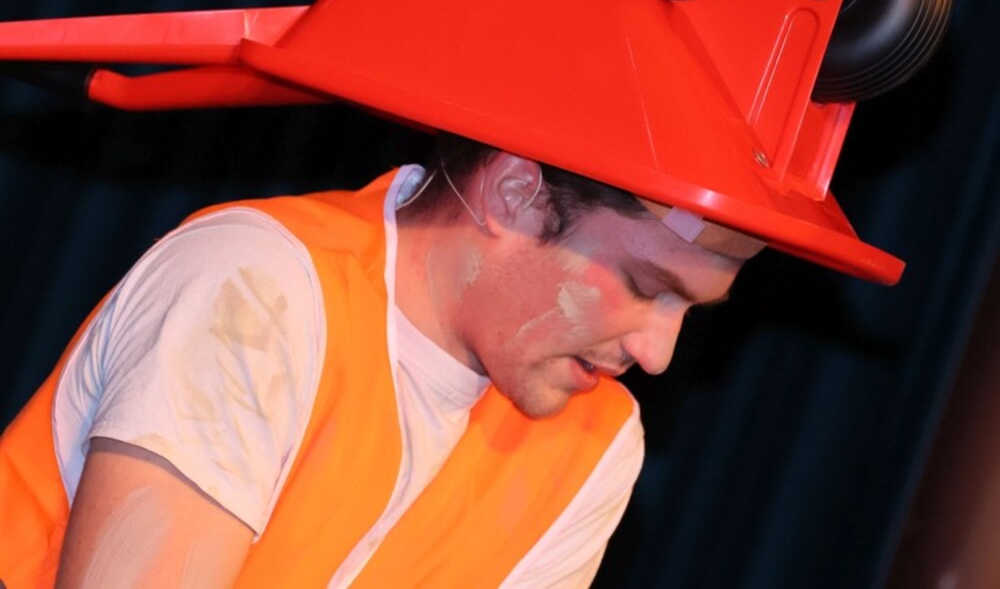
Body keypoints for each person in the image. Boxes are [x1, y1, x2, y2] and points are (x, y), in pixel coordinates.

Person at [0, 131, 763, 587]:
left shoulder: (599, 444)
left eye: (688, 311)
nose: (657, 355)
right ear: (515, 194)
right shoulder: (258, 286)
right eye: (643, 286)